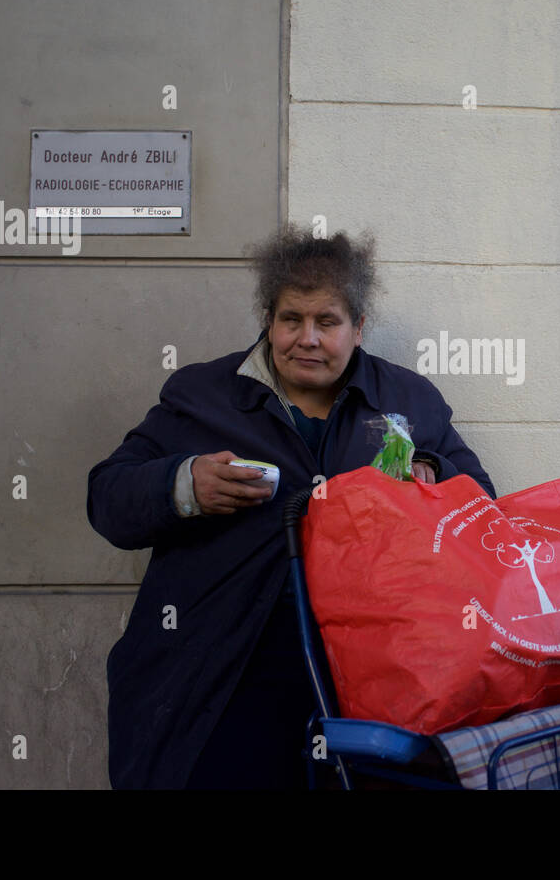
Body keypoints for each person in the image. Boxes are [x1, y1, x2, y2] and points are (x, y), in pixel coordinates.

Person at [87, 226, 496, 789]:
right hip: (224, 673)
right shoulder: (202, 396)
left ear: (358, 327)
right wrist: (184, 485)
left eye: (326, 322)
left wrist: (433, 478)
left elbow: (482, 505)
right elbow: (108, 500)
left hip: (369, 678)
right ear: (268, 320)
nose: (307, 338)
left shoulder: (407, 400)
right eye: (290, 320)